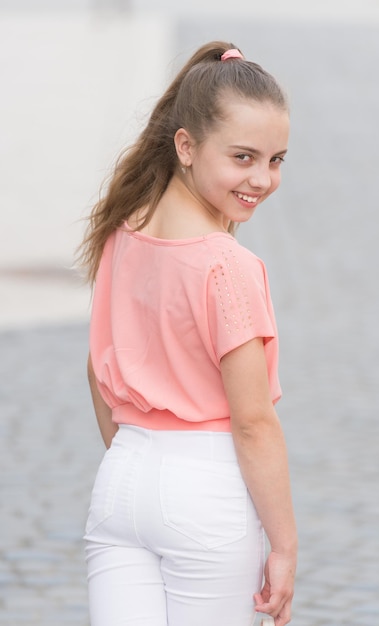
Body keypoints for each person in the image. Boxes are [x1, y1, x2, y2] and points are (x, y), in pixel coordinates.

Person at [79, 40, 297, 626]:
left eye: (276, 160)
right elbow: (252, 422)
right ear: (186, 146)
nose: (263, 179)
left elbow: (98, 374)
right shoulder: (226, 267)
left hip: (121, 482)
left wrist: (140, 464)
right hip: (207, 494)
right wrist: (284, 545)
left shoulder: (120, 234)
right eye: (244, 157)